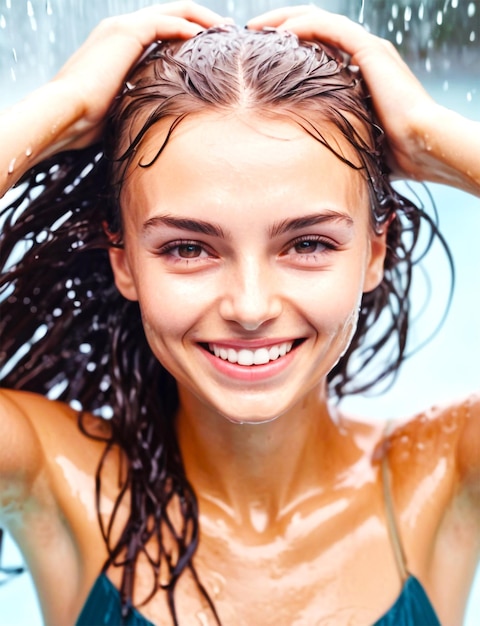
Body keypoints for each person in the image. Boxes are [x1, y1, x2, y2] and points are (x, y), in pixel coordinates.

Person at [0, 2, 479, 625]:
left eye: (307, 244)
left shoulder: (442, 475)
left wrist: (425, 128)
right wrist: (62, 105)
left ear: (373, 251)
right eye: (188, 247)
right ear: (122, 259)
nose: (250, 307)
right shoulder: (56, 477)